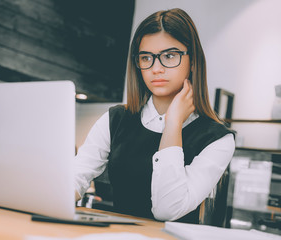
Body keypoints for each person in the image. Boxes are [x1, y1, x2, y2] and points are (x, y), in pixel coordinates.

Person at [74, 8, 235, 223]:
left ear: (193, 61)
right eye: (146, 57)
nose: (156, 68)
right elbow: (75, 177)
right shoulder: (116, 119)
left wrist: (173, 124)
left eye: (169, 56)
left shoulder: (218, 139)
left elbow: (167, 210)